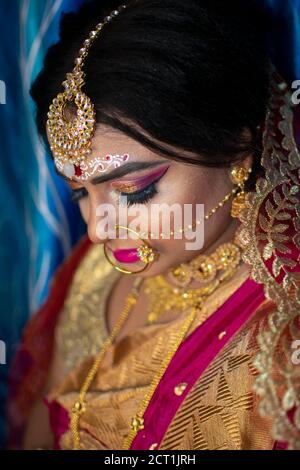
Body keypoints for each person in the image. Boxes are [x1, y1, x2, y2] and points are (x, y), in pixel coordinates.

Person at [7, 0, 300, 450]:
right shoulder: (96, 274)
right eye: (80, 194)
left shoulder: (284, 336)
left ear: (241, 142)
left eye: (135, 190)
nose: (98, 231)